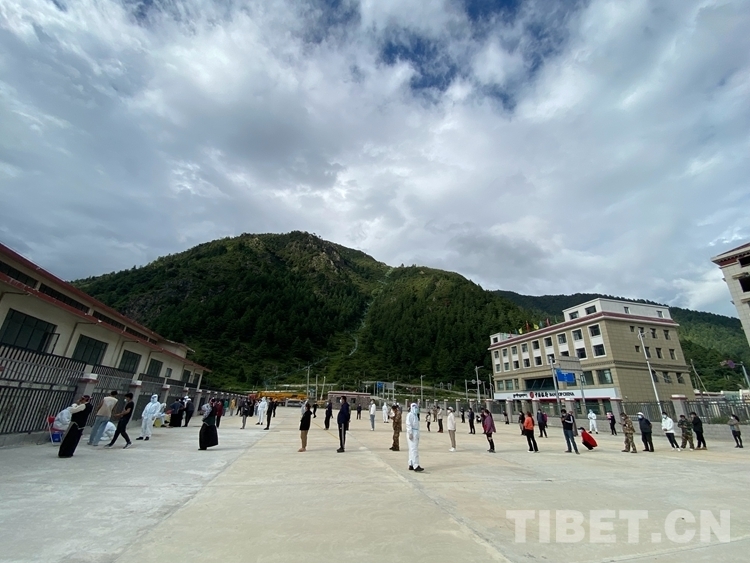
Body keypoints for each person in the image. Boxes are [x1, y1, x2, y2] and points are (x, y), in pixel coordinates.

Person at [406, 403, 424, 471]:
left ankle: (411, 463)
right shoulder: (410, 415)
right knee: (414, 449)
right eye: (415, 407)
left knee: (412, 449)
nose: (416, 409)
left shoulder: (415, 415)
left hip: (415, 432)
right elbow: (408, 424)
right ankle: (416, 465)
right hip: (412, 432)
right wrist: (410, 433)